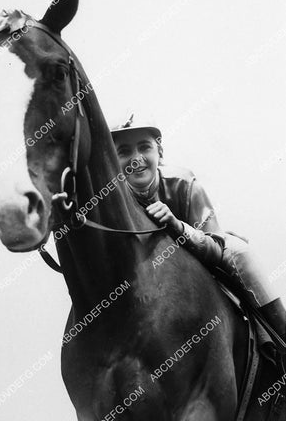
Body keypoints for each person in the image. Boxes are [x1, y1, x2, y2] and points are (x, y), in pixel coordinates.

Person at [110, 114, 285, 349]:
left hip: (203, 265)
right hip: (142, 283)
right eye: (124, 152)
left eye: (144, 147)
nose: (136, 159)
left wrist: (177, 226)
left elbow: (216, 250)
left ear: (159, 152)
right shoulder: (109, 200)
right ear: (112, 161)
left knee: (240, 252)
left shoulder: (183, 183)